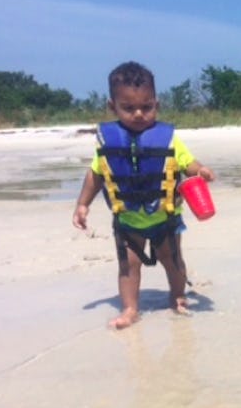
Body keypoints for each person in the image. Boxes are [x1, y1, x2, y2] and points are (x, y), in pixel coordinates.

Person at [73, 61, 215, 329]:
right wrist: (82, 204)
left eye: (146, 107)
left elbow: (187, 164)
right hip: (128, 220)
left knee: (172, 261)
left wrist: (201, 170)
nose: (139, 114)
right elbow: (96, 175)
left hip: (165, 217)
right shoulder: (107, 142)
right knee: (129, 266)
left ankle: (178, 297)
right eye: (128, 108)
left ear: (156, 105)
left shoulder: (169, 139)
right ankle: (130, 308)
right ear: (112, 106)